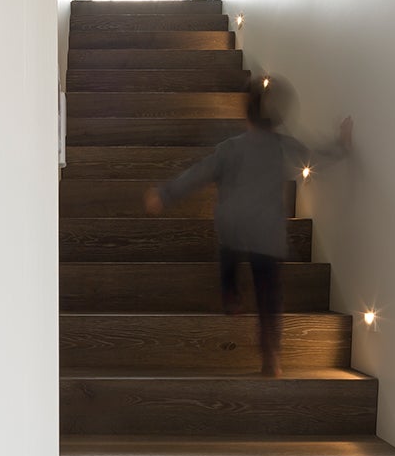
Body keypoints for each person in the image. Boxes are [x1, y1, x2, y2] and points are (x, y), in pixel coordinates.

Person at [144, 75, 352, 377]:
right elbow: (314, 154)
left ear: (246, 115)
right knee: (270, 295)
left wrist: (164, 194)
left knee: (228, 258)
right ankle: (272, 357)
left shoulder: (229, 148)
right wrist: (342, 145)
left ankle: (231, 295)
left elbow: (197, 174)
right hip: (267, 234)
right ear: (278, 121)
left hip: (233, 227)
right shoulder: (283, 145)